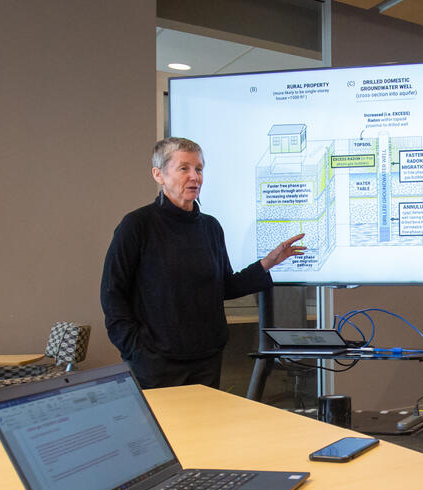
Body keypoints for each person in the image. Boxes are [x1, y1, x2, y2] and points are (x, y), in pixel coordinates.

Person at [101, 137, 306, 389]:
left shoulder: (209, 227)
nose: (195, 177)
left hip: (206, 360)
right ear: (159, 175)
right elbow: (113, 296)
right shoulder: (137, 226)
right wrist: (135, 349)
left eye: (199, 169)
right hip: (155, 363)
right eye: (184, 168)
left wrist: (267, 263)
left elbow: (224, 287)